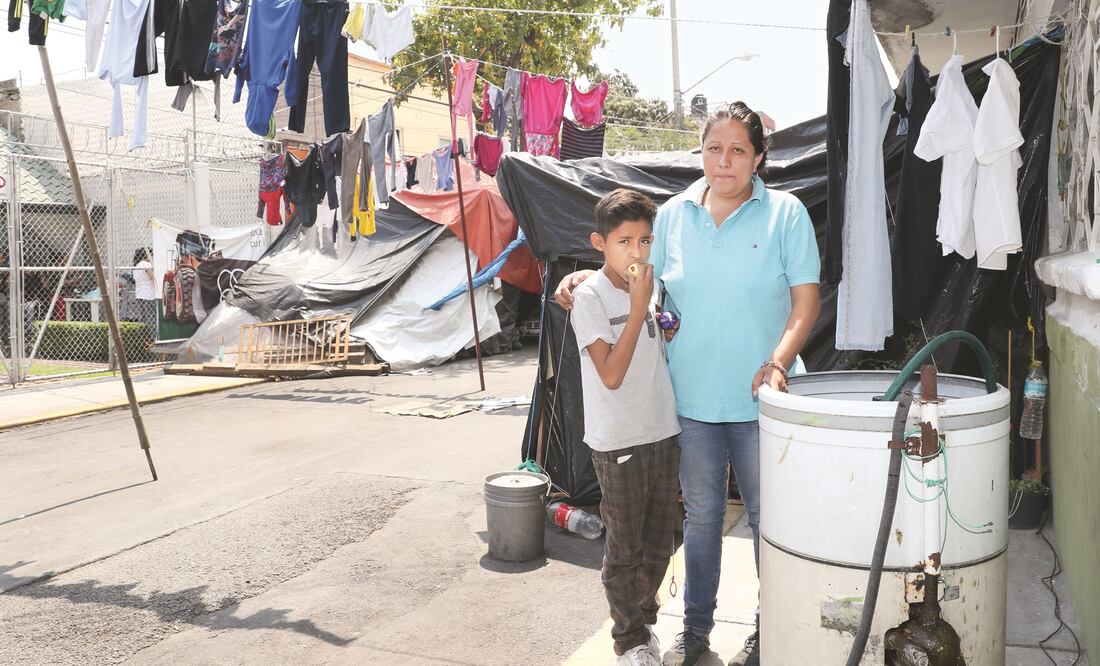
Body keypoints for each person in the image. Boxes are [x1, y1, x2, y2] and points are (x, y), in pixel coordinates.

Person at [556, 102, 821, 666]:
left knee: (769, 522)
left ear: (758, 157)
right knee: (700, 520)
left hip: (763, 402)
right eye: (713, 149)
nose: (724, 162)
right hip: (691, 403)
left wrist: (777, 360)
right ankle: (696, 633)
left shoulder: (786, 214)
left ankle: (767, 628)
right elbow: (639, 278)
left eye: (738, 150)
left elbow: (805, 303)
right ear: (701, 152)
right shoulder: (673, 216)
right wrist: (585, 275)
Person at [570, 189, 682, 666]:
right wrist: (638, 308)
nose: (635, 253)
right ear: (600, 242)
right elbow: (611, 374)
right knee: (624, 546)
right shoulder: (588, 297)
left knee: (663, 538)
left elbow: (652, 346)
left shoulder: (651, 286)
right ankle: (630, 641)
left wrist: (659, 317)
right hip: (619, 440)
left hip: (662, 428)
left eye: (644, 241)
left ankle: (644, 622)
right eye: (623, 242)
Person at [131, 248, 157, 344]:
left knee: (143, 317)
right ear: (146, 255)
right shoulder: (147, 264)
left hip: (139, 294)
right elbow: (151, 277)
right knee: (151, 317)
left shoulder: (136, 265)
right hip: (149, 294)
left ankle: (143, 337)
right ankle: (152, 338)